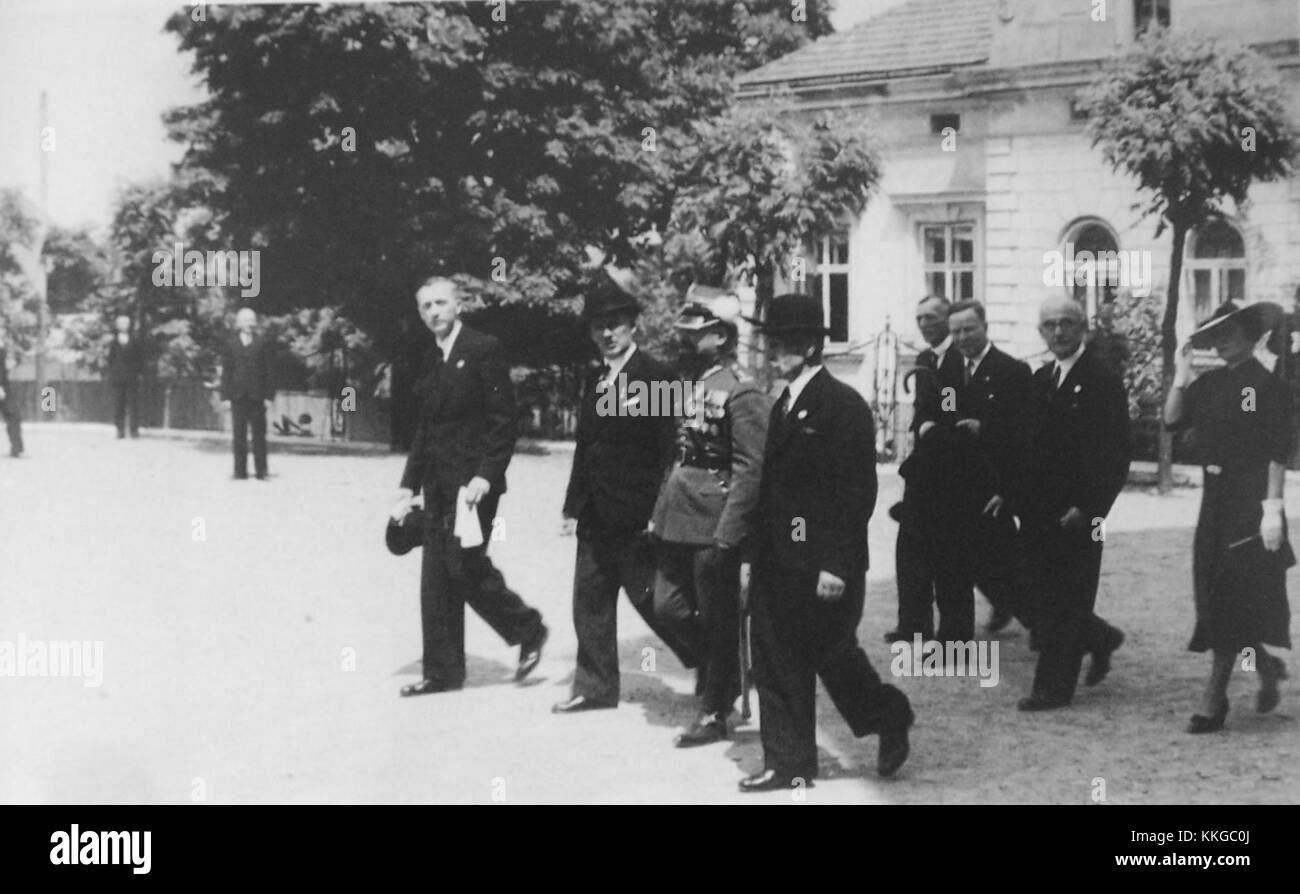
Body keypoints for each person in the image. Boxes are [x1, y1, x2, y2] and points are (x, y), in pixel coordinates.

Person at [738, 293, 913, 791]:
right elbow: (769, 492)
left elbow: (856, 494)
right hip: (777, 559)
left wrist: (836, 564)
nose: (778, 352)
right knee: (773, 658)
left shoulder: (843, 406)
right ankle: (788, 763)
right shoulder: (782, 406)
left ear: (815, 345)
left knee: (833, 658)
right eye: (774, 342)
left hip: (824, 566)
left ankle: (889, 714)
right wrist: (751, 556)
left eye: (790, 342)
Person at [390, 276, 548, 696]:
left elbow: (504, 420)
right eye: (425, 306)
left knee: (463, 565)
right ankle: (442, 673)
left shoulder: (483, 349)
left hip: (473, 486)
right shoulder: (430, 357)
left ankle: (527, 627)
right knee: (436, 577)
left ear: (458, 305)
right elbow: (426, 428)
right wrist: (409, 486)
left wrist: (485, 475)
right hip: (438, 485)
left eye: (441, 303)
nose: (434, 312)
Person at [554, 270, 702, 713]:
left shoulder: (655, 376)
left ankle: (714, 665)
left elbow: (669, 450)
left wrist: (659, 511)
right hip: (596, 513)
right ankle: (595, 687)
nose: (607, 333)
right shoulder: (594, 379)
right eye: (598, 325)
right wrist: (571, 506)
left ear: (633, 325)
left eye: (616, 323)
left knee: (655, 603)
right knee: (590, 600)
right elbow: (586, 445)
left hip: (638, 515)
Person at [650, 284, 770, 746]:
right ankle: (729, 675)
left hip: (713, 521)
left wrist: (730, 534)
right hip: (676, 515)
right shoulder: (690, 384)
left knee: (719, 618)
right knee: (667, 606)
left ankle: (715, 709)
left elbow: (749, 470)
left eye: (693, 333)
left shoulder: (742, 392)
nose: (683, 340)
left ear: (720, 336)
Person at [1164, 299, 1292, 733]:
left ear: (1252, 335)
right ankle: (1267, 666)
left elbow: (1274, 448)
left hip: (1250, 502)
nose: (1220, 342)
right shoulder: (1212, 382)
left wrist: (1272, 508)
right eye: (1214, 335)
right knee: (1219, 595)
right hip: (1215, 500)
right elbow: (1171, 420)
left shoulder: (1259, 387)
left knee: (1229, 595)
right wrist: (1182, 378)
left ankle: (1213, 698)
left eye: (1229, 333)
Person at [1016, 296, 1129, 711]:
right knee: (1039, 593)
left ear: (1083, 328)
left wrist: (1090, 507)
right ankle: (1100, 638)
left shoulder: (1101, 380)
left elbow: (1115, 454)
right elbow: (1028, 448)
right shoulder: (1042, 379)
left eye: (1066, 323)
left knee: (1069, 594)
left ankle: (1052, 688)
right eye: (1050, 325)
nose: (1058, 331)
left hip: (1081, 513)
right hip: (1038, 510)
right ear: (1041, 332)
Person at [912, 299, 1030, 644]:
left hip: (994, 487)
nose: (962, 337)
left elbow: (1024, 435)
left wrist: (986, 430)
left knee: (1007, 571)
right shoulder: (948, 372)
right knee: (950, 566)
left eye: (969, 329)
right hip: (956, 485)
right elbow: (941, 410)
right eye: (956, 331)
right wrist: (928, 425)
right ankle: (953, 639)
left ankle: (1087, 634)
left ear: (985, 327)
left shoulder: (1011, 371)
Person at [219, 307, 273, 480]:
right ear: (239, 323)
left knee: (259, 435)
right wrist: (225, 397)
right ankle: (240, 471)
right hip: (238, 396)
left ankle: (261, 471)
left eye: (252, 320)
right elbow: (226, 372)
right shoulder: (230, 343)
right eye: (246, 320)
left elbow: (269, 371)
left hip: (257, 396)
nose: (250, 324)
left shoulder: (262, 343)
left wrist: (269, 396)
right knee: (238, 436)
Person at [106, 314, 145, 438]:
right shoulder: (113, 342)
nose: (125, 326)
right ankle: (120, 430)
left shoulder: (135, 340)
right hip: (118, 378)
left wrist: (139, 373)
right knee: (119, 404)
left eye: (127, 323)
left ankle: (134, 431)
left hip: (132, 377)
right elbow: (110, 360)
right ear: (117, 326)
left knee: (133, 404)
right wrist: (113, 373)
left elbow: (140, 358)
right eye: (122, 323)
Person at [0, 317, 23, 458]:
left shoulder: (3, 345)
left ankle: (17, 448)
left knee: (14, 415)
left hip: (4, 385)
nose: (2, 330)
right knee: (13, 414)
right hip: (1, 386)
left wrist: (13, 363)